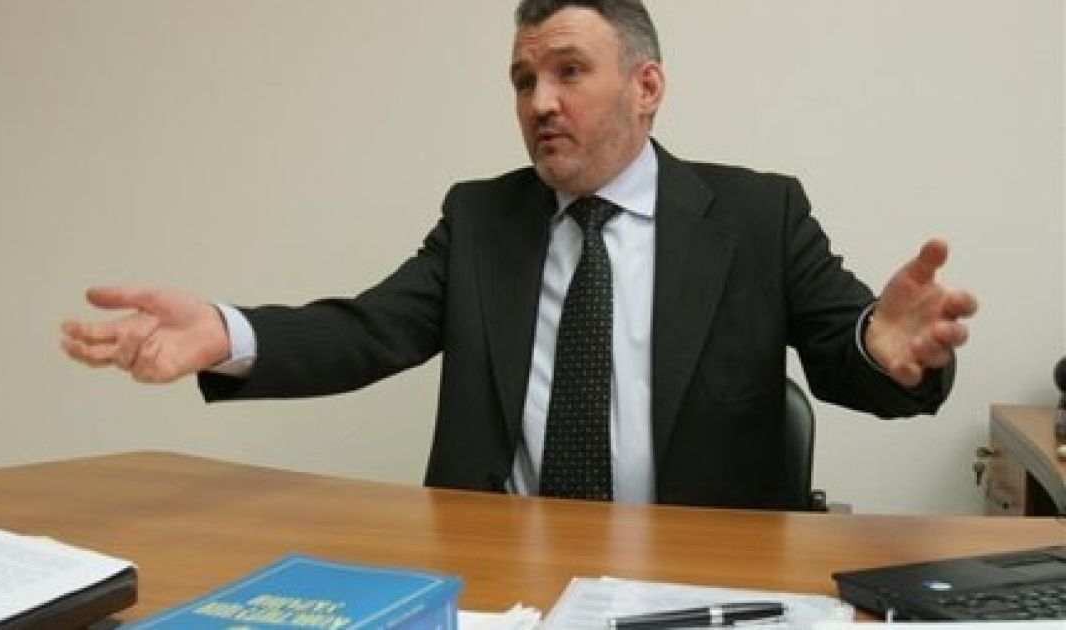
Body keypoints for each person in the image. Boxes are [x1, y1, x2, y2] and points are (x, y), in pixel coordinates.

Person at [61, 0, 977, 509]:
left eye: (569, 71)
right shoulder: (482, 218)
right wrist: (227, 334)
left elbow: (854, 356)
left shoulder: (756, 215)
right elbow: (370, 331)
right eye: (523, 79)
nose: (540, 101)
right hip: (502, 573)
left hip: (696, 578)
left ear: (647, 86)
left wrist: (883, 347)